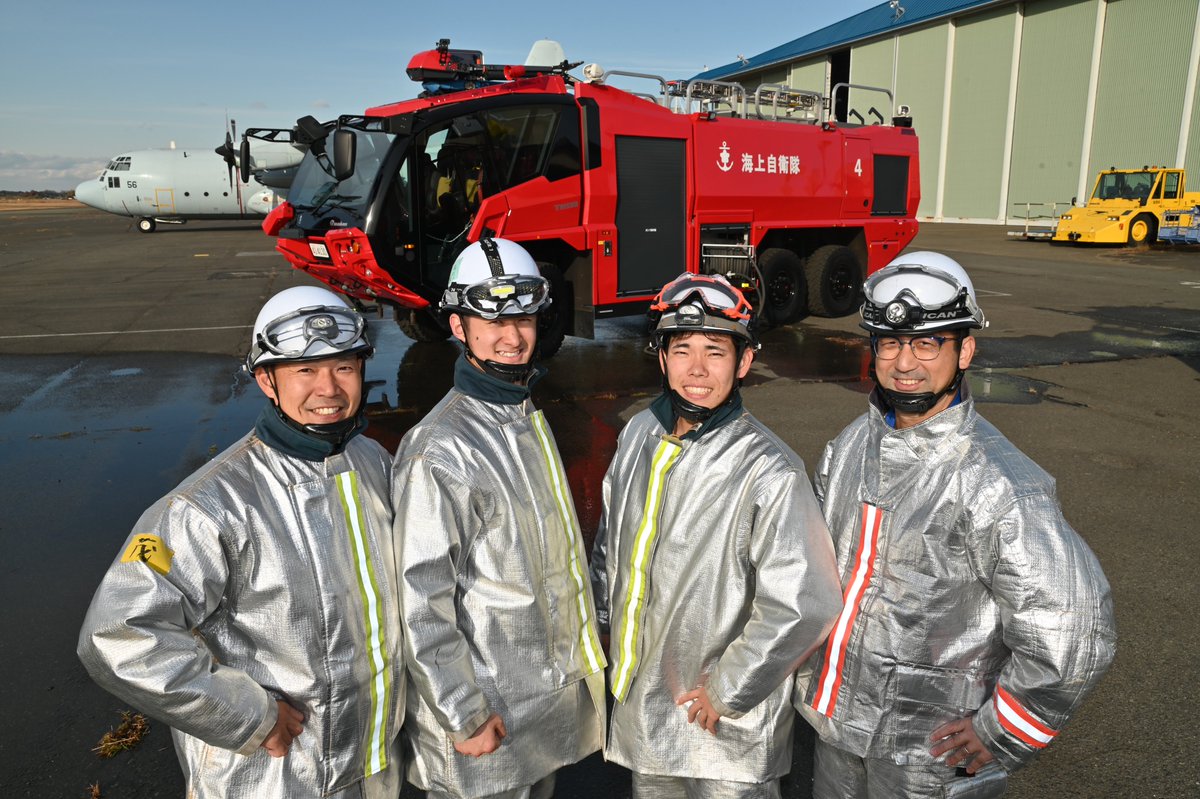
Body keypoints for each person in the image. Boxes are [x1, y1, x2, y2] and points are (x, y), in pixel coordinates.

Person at [794, 252, 1117, 798]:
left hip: (932, 754)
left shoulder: (999, 484)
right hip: (836, 733)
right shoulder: (850, 447)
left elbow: (1075, 629)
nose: (905, 363)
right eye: (891, 343)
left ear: (965, 349)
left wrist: (1006, 729)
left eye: (927, 343)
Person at [77, 286, 404, 799]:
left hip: (371, 763)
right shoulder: (203, 507)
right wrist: (247, 716)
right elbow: (118, 635)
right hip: (271, 774)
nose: (328, 389)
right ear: (266, 380)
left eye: (344, 367)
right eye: (304, 370)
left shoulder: (371, 463)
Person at [590, 273, 844, 798]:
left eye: (715, 351)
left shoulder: (770, 470)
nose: (698, 370)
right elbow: (611, 543)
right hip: (648, 709)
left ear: (744, 362)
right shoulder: (639, 434)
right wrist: (605, 622)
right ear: (661, 358)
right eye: (682, 350)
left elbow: (806, 600)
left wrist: (730, 690)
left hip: (727, 727)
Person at [392, 237, 605, 799]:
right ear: (458, 327)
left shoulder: (521, 414)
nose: (512, 337)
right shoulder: (439, 449)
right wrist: (461, 711)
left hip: (535, 702)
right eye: (492, 320)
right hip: (482, 716)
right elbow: (421, 598)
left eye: (524, 319)